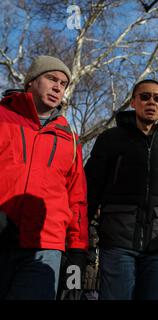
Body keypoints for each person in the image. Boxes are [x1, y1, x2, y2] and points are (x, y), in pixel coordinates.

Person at [84, 79, 158, 300]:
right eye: (145, 97)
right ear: (133, 102)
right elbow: (90, 189)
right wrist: (80, 233)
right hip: (116, 243)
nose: (151, 102)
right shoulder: (110, 139)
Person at [0, 55, 89, 299]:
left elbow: (77, 199)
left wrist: (78, 251)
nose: (58, 86)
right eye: (51, 78)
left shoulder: (69, 139)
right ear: (31, 82)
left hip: (46, 247)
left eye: (63, 83)